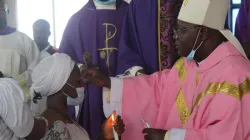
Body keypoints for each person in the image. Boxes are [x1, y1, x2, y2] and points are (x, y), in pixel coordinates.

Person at [82, 0, 250, 139]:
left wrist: (169, 137)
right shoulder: (187, 65)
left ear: (203, 33)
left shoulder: (235, 76)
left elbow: (228, 135)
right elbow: (157, 88)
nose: (175, 36)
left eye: (182, 30)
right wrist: (109, 82)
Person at [58, 0, 128, 139]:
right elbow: (64, 60)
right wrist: (81, 68)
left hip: (126, 89)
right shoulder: (77, 20)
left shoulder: (131, 13)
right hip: (91, 92)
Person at [30, 53, 125, 140]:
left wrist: (105, 135)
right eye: (78, 82)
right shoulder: (53, 127)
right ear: (62, 86)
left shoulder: (62, 117)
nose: (83, 85)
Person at [116, 0, 183, 77]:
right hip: (148, 80)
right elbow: (128, 45)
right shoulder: (138, 3)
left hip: (187, 79)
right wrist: (137, 71)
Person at [0, 0, 40, 87]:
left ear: (8, 11)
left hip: (18, 96)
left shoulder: (24, 40)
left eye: (1, 10)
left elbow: (35, 71)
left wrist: (15, 80)